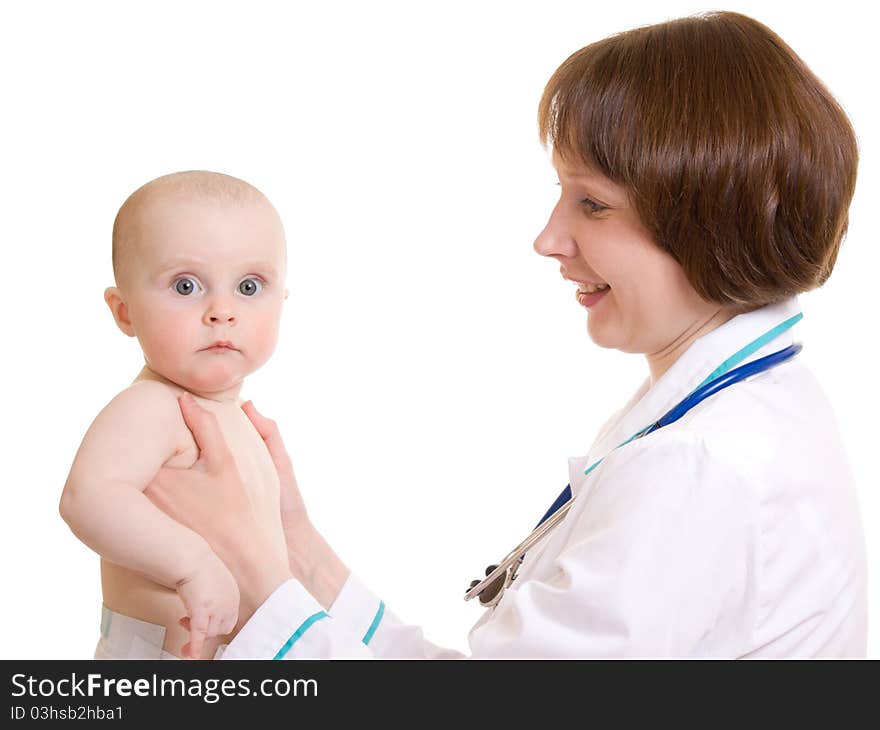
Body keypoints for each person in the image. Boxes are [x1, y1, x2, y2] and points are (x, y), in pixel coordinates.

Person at [146, 10, 867, 658]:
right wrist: (296, 549)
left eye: (592, 203)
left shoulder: (700, 466)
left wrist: (252, 566)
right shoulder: (747, 413)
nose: (549, 238)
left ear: (710, 216)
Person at [59, 171, 292, 659]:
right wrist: (192, 565)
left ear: (283, 301)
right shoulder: (154, 406)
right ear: (125, 312)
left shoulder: (240, 420)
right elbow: (88, 497)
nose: (222, 310)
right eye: (186, 285)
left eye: (250, 286)